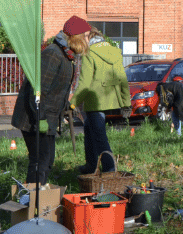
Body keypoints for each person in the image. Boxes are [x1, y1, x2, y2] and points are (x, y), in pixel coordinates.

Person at [10, 15, 90, 185]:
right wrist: (42, 119)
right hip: (35, 118)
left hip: (47, 117)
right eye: (86, 36)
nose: (88, 40)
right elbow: (37, 91)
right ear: (76, 37)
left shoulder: (66, 55)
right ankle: (32, 202)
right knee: (40, 162)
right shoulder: (53, 54)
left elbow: (55, 90)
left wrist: (67, 105)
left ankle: (37, 197)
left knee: (46, 161)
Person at [74, 28, 130, 174]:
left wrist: (73, 102)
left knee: (99, 137)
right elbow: (122, 79)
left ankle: (109, 169)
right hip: (112, 99)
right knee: (89, 128)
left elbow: (85, 83)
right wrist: (126, 103)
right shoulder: (115, 52)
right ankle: (91, 165)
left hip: (95, 101)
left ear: (89, 38)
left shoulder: (89, 53)